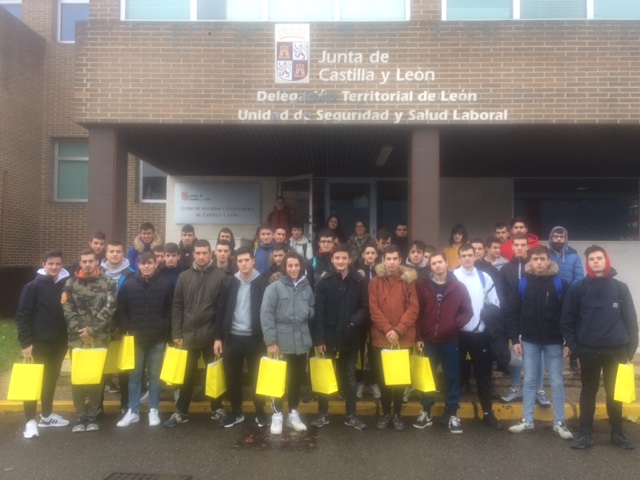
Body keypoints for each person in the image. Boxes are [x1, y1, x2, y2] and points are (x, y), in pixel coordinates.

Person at [562, 245, 638, 450]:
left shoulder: (620, 288)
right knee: (588, 391)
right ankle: (585, 433)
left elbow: (631, 320)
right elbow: (567, 321)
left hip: (617, 351)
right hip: (589, 351)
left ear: (606, 261)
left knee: (616, 393)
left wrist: (630, 350)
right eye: (592, 259)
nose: (596, 261)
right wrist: (576, 348)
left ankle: (618, 433)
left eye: (599, 258)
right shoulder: (578, 289)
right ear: (588, 263)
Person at [505, 245, 573, 440]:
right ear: (530, 261)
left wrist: (568, 341)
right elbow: (512, 313)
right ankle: (527, 420)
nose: (539, 262)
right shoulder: (522, 284)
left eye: (542, 259)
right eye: (535, 259)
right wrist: (514, 338)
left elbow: (568, 314)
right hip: (529, 341)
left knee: (557, 381)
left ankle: (559, 422)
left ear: (548, 260)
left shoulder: (561, 284)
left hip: (554, 341)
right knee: (529, 381)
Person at [164, 240, 228, 427]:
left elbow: (222, 309)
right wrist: (176, 333)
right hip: (188, 336)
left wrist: (218, 337)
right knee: (186, 376)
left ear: (211, 254)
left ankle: (217, 409)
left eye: (205, 253)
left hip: (211, 337)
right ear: (193, 254)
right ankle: (181, 411)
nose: (201, 256)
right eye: (198, 253)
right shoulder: (184, 277)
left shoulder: (220, 277)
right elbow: (177, 306)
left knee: (214, 374)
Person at [311, 244, 369, 430]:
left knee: (350, 376)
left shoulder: (359, 281)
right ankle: (322, 413)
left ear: (349, 260)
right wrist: (319, 340)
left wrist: (354, 322)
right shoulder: (324, 282)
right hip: (328, 337)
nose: (341, 261)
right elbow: (318, 313)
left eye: (344, 258)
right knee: (325, 375)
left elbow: (365, 307)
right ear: (332, 260)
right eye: (337, 258)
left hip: (350, 336)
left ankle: (352, 415)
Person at [414, 252, 472, 434]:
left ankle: (452, 413)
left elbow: (467, 312)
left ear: (446, 263)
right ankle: (427, 412)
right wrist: (418, 337)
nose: (437, 266)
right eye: (434, 263)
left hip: (450, 340)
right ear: (430, 266)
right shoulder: (422, 286)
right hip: (428, 341)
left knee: (452, 377)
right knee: (427, 378)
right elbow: (417, 313)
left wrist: (454, 325)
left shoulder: (458, 287)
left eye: (440, 262)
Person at [213, 247, 271, 428]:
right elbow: (221, 310)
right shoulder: (230, 282)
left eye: (246, 260)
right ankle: (236, 412)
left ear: (253, 260)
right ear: (236, 263)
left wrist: (269, 339)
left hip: (256, 339)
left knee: (257, 378)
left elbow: (269, 312)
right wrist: (218, 337)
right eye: (240, 261)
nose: (243, 264)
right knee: (233, 379)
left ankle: (260, 412)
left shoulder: (263, 283)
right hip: (233, 339)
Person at [16, 250, 71, 439]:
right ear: (44, 265)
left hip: (59, 343)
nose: (54, 267)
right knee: (33, 381)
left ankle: (46, 416)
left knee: (51, 379)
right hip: (38, 343)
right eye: (51, 264)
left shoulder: (66, 285)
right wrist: (26, 343)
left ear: (62, 265)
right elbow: (22, 316)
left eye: (58, 264)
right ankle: (30, 421)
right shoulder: (32, 287)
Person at [116, 252, 173, 428]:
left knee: (155, 377)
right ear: (138, 265)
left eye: (150, 263)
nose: (147, 266)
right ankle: (133, 411)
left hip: (157, 339)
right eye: (143, 263)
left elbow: (170, 309)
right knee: (134, 377)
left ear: (156, 264)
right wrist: (128, 328)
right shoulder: (128, 284)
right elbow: (121, 309)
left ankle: (153, 410)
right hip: (136, 338)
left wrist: (163, 327)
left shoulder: (165, 284)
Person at [261, 251, 315, 434]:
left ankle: (293, 412)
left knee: (296, 379)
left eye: (296, 265)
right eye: (290, 265)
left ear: (301, 267)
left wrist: (307, 312)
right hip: (281, 341)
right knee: (278, 379)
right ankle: (277, 415)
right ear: (284, 267)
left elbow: (312, 307)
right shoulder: (274, 288)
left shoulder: (306, 287)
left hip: (300, 340)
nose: (293, 269)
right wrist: (270, 341)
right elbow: (266, 315)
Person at [63, 249, 116, 433]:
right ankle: (80, 416)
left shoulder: (108, 282)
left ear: (96, 262)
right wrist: (81, 331)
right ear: (80, 263)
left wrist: (92, 330)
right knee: (78, 378)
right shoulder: (70, 283)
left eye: (90, 261)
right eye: (84, 261)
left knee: (96, 378)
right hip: (77, 340)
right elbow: (67, 307)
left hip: (98, 339)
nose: (87, 264)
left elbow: (109, 307)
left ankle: (92, 414)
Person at [369, 245, 419, 431]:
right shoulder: (375, 282)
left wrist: (398, 330)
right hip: (381, 338)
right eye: (388, 259)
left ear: (400, 260)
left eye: (394, 259)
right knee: (382, 380)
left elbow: (413, 309)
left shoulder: (409, 281)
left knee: (398, 380)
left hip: (402, 338)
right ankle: (385, 414)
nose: (391, 262)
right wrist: (388, 329)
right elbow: (373, 309)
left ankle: (397, 414)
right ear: (384, 260)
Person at [453, 244, 502, 430]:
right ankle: (452, 413)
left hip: (480, 334)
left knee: (484, 376)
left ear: (475, 257)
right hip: (458, 334)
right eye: (463, 255)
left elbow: (495, 304)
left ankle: (488, 413)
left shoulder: (485, 277)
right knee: (454, 375)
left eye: (470, 255)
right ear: (458, 258)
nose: (467, 258)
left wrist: (486, 323)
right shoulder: (452, 277)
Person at [497, 232, 549, 406]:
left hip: (534, 318)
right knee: (515, 352)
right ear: (511, 247)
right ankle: (516, 387)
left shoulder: (535, 266)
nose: (519, 248)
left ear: (528, 247)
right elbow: (501, 292)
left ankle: (539, 390)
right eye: (516, 245)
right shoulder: (505, 269)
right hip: (513, 317)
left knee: (539, 353)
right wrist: (507, 311)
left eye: (522, 245)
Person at [100, 240, 134, 408]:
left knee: (124, 367)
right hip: (100, 329)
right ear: (106, 254)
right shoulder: (96, 272)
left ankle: (125, 404)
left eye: (118, 251)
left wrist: (124, 326)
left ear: (123, 254)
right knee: (100, 367)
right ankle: (97, 406)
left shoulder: (132, 274)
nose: (114, 254)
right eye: (111, 251)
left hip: (123, 328)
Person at [548, 226, 584, 375]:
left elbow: (579, 276)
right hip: (550, 296)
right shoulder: (546, 254)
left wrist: (570, 293)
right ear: (551, 238)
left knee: (573, 327)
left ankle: (574, 359)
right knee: (552, 326)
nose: (558, 239)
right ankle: (551, 358)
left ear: (565, 238)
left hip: (570, 297)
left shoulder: (574, 256)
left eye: (561, 237)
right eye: (556, 236)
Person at [354, 244, 381, 400]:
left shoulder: (381, 271)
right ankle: (360, 381)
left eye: (373, 253)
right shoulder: (357, 272)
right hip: (361, 317)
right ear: (363, 255)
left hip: (376, 318)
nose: (370, 256)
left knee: (374, 352)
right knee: (359, 353)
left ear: (376, 255)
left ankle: (373, 382)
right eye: (367, 253)